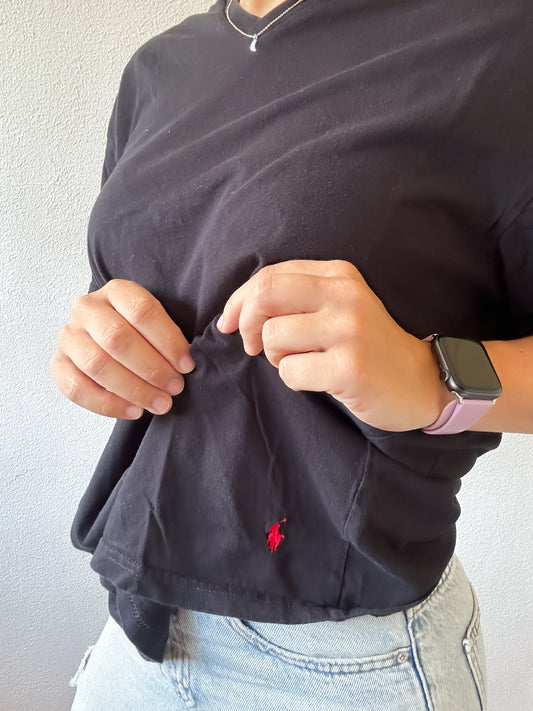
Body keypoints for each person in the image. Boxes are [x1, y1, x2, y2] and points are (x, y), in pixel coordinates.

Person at [50, 0, 533, 709]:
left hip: (347, 659)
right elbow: (143, 282)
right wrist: (95, 342)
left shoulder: (499, 40)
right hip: (140, 623)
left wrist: (433, 379)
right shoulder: (155, 70)